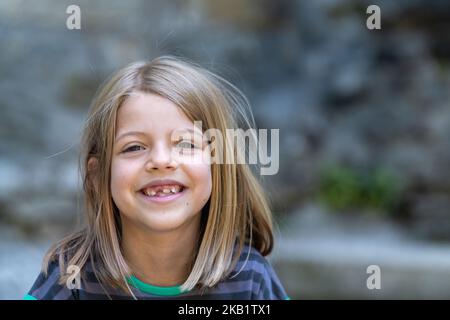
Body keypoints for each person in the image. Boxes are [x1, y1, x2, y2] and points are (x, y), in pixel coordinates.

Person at [24, 56, 289, 300]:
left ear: (219, 165)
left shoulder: (249, 277)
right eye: (134, 147)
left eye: (185, 144)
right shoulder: (72, 276)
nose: (161, 161)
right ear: (97, 175)